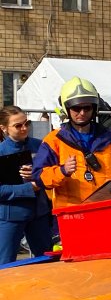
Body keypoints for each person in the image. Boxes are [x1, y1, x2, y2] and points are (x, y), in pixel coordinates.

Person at [33, 77, 111, 208]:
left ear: (94, 108)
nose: (82, 113)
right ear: (67, 108)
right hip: (70, 214)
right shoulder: (53, 140)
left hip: (106, 209)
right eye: (76, 108)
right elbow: (39, 176)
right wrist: (62, 171)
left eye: (87, 108)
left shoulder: (110, 138)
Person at [0, 106, 51, 265]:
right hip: (11, 216)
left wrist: (41, 177)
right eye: (18, 125)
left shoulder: (40, 145)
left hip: (39, 213)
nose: (24, 128)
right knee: (6, 265)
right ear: (4, 128)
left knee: (47, 262)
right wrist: (29, 188)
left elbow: (52, 173)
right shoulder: (1, 152)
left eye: (26, 123)